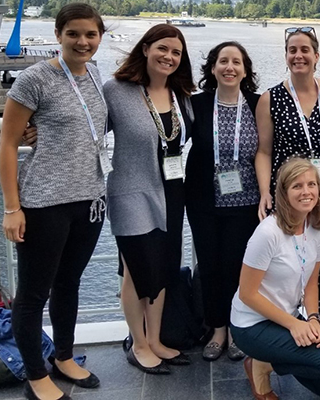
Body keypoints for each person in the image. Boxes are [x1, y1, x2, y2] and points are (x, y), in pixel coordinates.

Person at [0, 4, 107, 399]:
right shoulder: (34, 79)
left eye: (90, 35)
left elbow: (83, 129)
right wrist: (12, 208)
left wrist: (42, 132)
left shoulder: (94, 74)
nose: (82, 42)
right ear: (58, 35)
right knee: (32, 293)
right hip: (45, 202)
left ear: (99, 38)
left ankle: (63, 356)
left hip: (89, 200)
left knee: (69, 283)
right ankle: (34, 375)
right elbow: (8, 144)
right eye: (74, 34)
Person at [103, 23, 195, 374]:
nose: (168, 57)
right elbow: (88, 127)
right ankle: (138, 344)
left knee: (162, 267)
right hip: (130, 190)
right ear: (145, 49)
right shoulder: (117, 90)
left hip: (171, 190)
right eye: (162, 49)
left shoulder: (181, 94)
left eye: (175, 52)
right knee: (135, 271)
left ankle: (156, 339)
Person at [231, 157, 320, 400]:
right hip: (252, 323)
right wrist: (295, 324)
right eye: (297, 186)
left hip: (288, 316)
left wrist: (314, 320)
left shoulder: (319, 228)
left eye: (311, 184)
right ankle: (261, 366)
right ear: (284, 193)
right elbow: (247, 293)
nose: (306, 191)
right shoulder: (268, 232)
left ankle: (270, 363)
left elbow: (311, 282)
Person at [255, 27, 320, 322]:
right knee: (289, 256)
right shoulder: (271, 98)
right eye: (292, 50)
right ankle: (287, 320)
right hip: (290, 193)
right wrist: (265, 191)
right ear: (285, 56)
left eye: (305, 50)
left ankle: (318, 320)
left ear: (316, 55)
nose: (298, 56)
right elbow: (264, 151)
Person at [185, 41, 260, 361]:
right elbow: (165, 136)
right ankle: (216, 328)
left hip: (247, 202)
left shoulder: (259, 104)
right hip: (204, 200)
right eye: (223, 61)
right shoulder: (195, 104)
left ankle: (237, 328)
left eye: (237, 62)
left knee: (238, 267)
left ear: (245, 70)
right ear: (212, 68)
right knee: (211, 266)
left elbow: (268, 150)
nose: (230, 67)